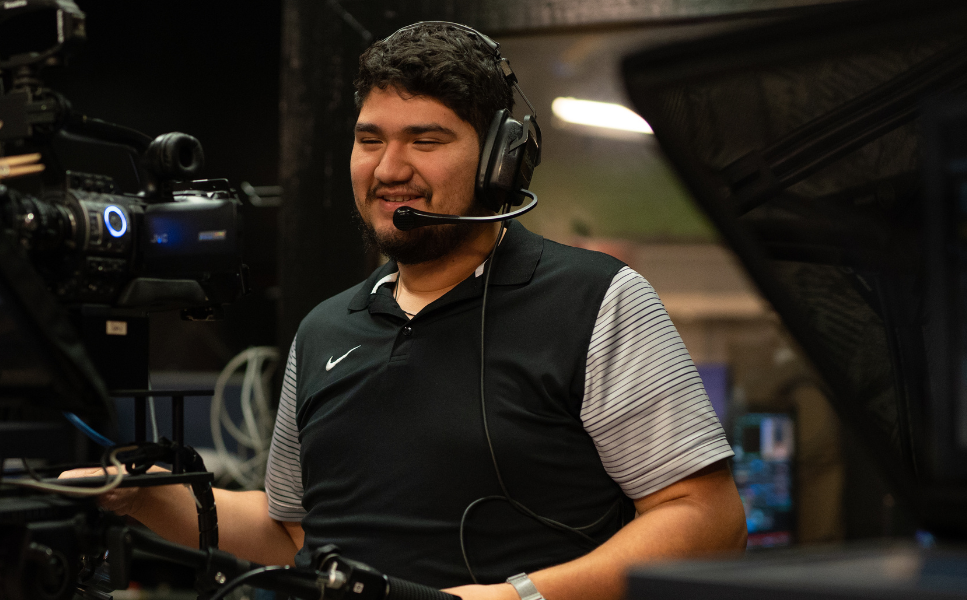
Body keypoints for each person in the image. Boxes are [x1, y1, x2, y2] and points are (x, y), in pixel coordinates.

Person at [68, 22, 745, 600]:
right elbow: (292, 533)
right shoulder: (325, 329)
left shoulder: (599, 301)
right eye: (370, 140)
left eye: (425, 140)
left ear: (498, 162)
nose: (389, 167)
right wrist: (141, 495)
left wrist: (521, 596)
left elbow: (707, 520)